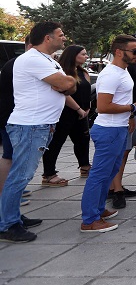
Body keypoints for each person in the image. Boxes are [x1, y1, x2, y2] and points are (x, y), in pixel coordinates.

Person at [0, 23, 76, 243]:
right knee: (20, 175)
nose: (64, 38)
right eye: (60, 35)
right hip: (30, 125)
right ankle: (7, 224)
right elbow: (65, 83)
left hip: (38, 125)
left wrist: (67, 84)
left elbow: (69, 86)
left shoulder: (48, 60)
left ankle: (12, 215)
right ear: (47, 38)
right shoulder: (32, 59)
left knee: (21, 173)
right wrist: (67, 83)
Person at [81, 35, 136, 233]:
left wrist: (130, 114)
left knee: (109, 173)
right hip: (108, 130)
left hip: (118, 128)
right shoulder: (112, 74)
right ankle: (89, 220)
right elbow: (102, 106)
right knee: (99, 175)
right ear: (119, 52)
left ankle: (98, 210)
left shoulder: (123, 71)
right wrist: (134, 107)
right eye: (134, 51)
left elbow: (120, 100)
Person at [109, 31, 136, 209]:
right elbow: (110, 102)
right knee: (120, 154)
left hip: (134, 114)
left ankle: (116, 186)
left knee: (124, 153)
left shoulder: (134, 68)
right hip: (126, 117)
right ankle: (115, 190)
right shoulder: (122, 70)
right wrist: (132, 115)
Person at [41, 45, 92, 186]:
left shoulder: (83, 72)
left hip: (83, 113)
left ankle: (85, 166)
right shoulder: (62, 72)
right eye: (83, 54)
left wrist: (87, 108)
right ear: (73, 55)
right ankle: (49, 174)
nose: (86, 56)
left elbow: (87, 92)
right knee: (56, 142)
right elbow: (63, 93)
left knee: (83, 140)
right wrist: (78, 108)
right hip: (65, 112)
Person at [0, 35, 32, 213]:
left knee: (12, 157)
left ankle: (10, 203)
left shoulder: (17, 63)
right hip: (13, 118)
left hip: (13, 117)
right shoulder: (20, 63)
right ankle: (7, 203)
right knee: (11, 158)